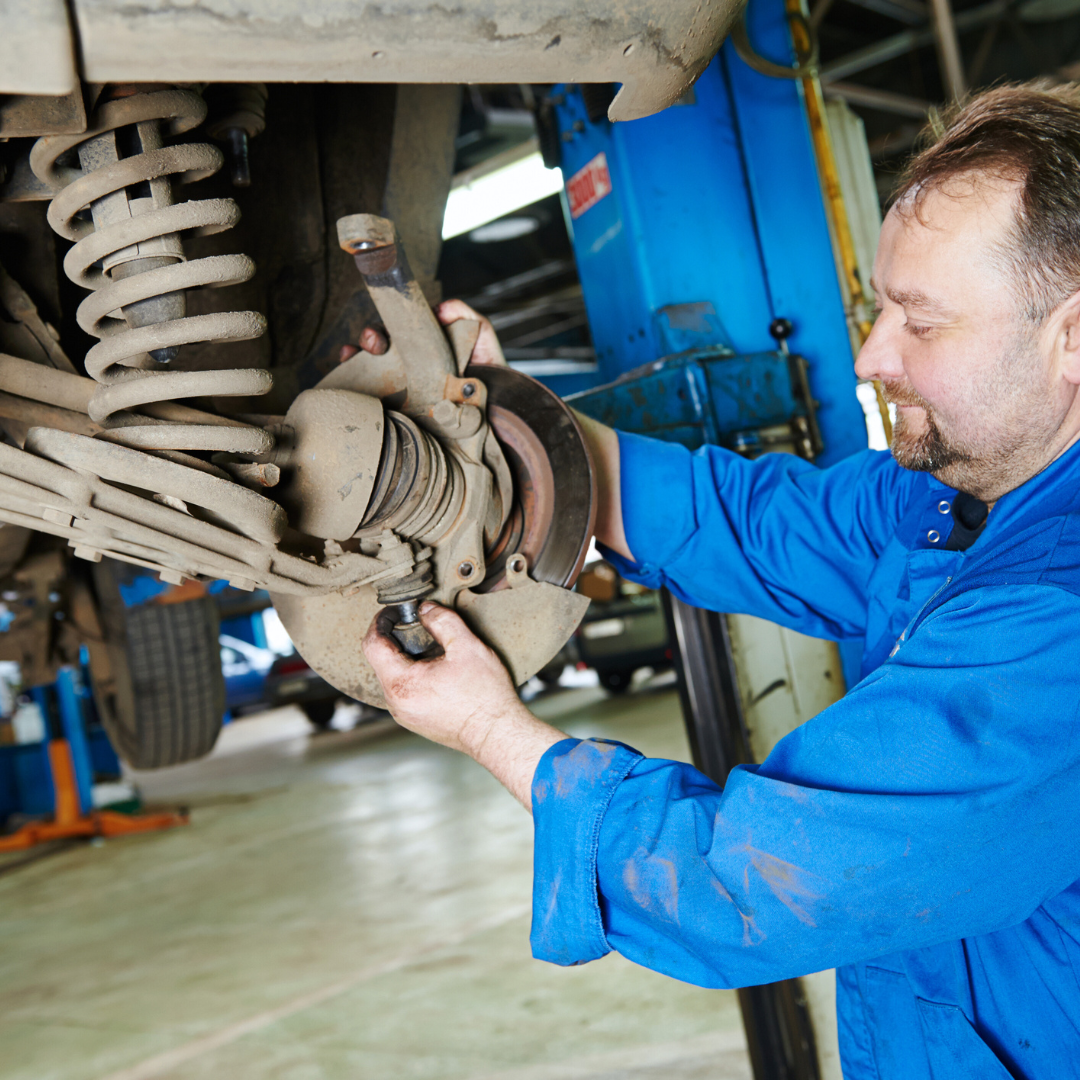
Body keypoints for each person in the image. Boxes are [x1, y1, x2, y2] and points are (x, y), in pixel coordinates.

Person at [362, 84, 1080, 1078]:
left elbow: (751, 883)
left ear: (1072, 338)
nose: (874, 356)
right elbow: (740, 521)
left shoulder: (1056, 627)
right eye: (881, 308)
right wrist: (516, 427)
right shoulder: (970, 497)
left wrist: (494, 731)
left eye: (921, 322)